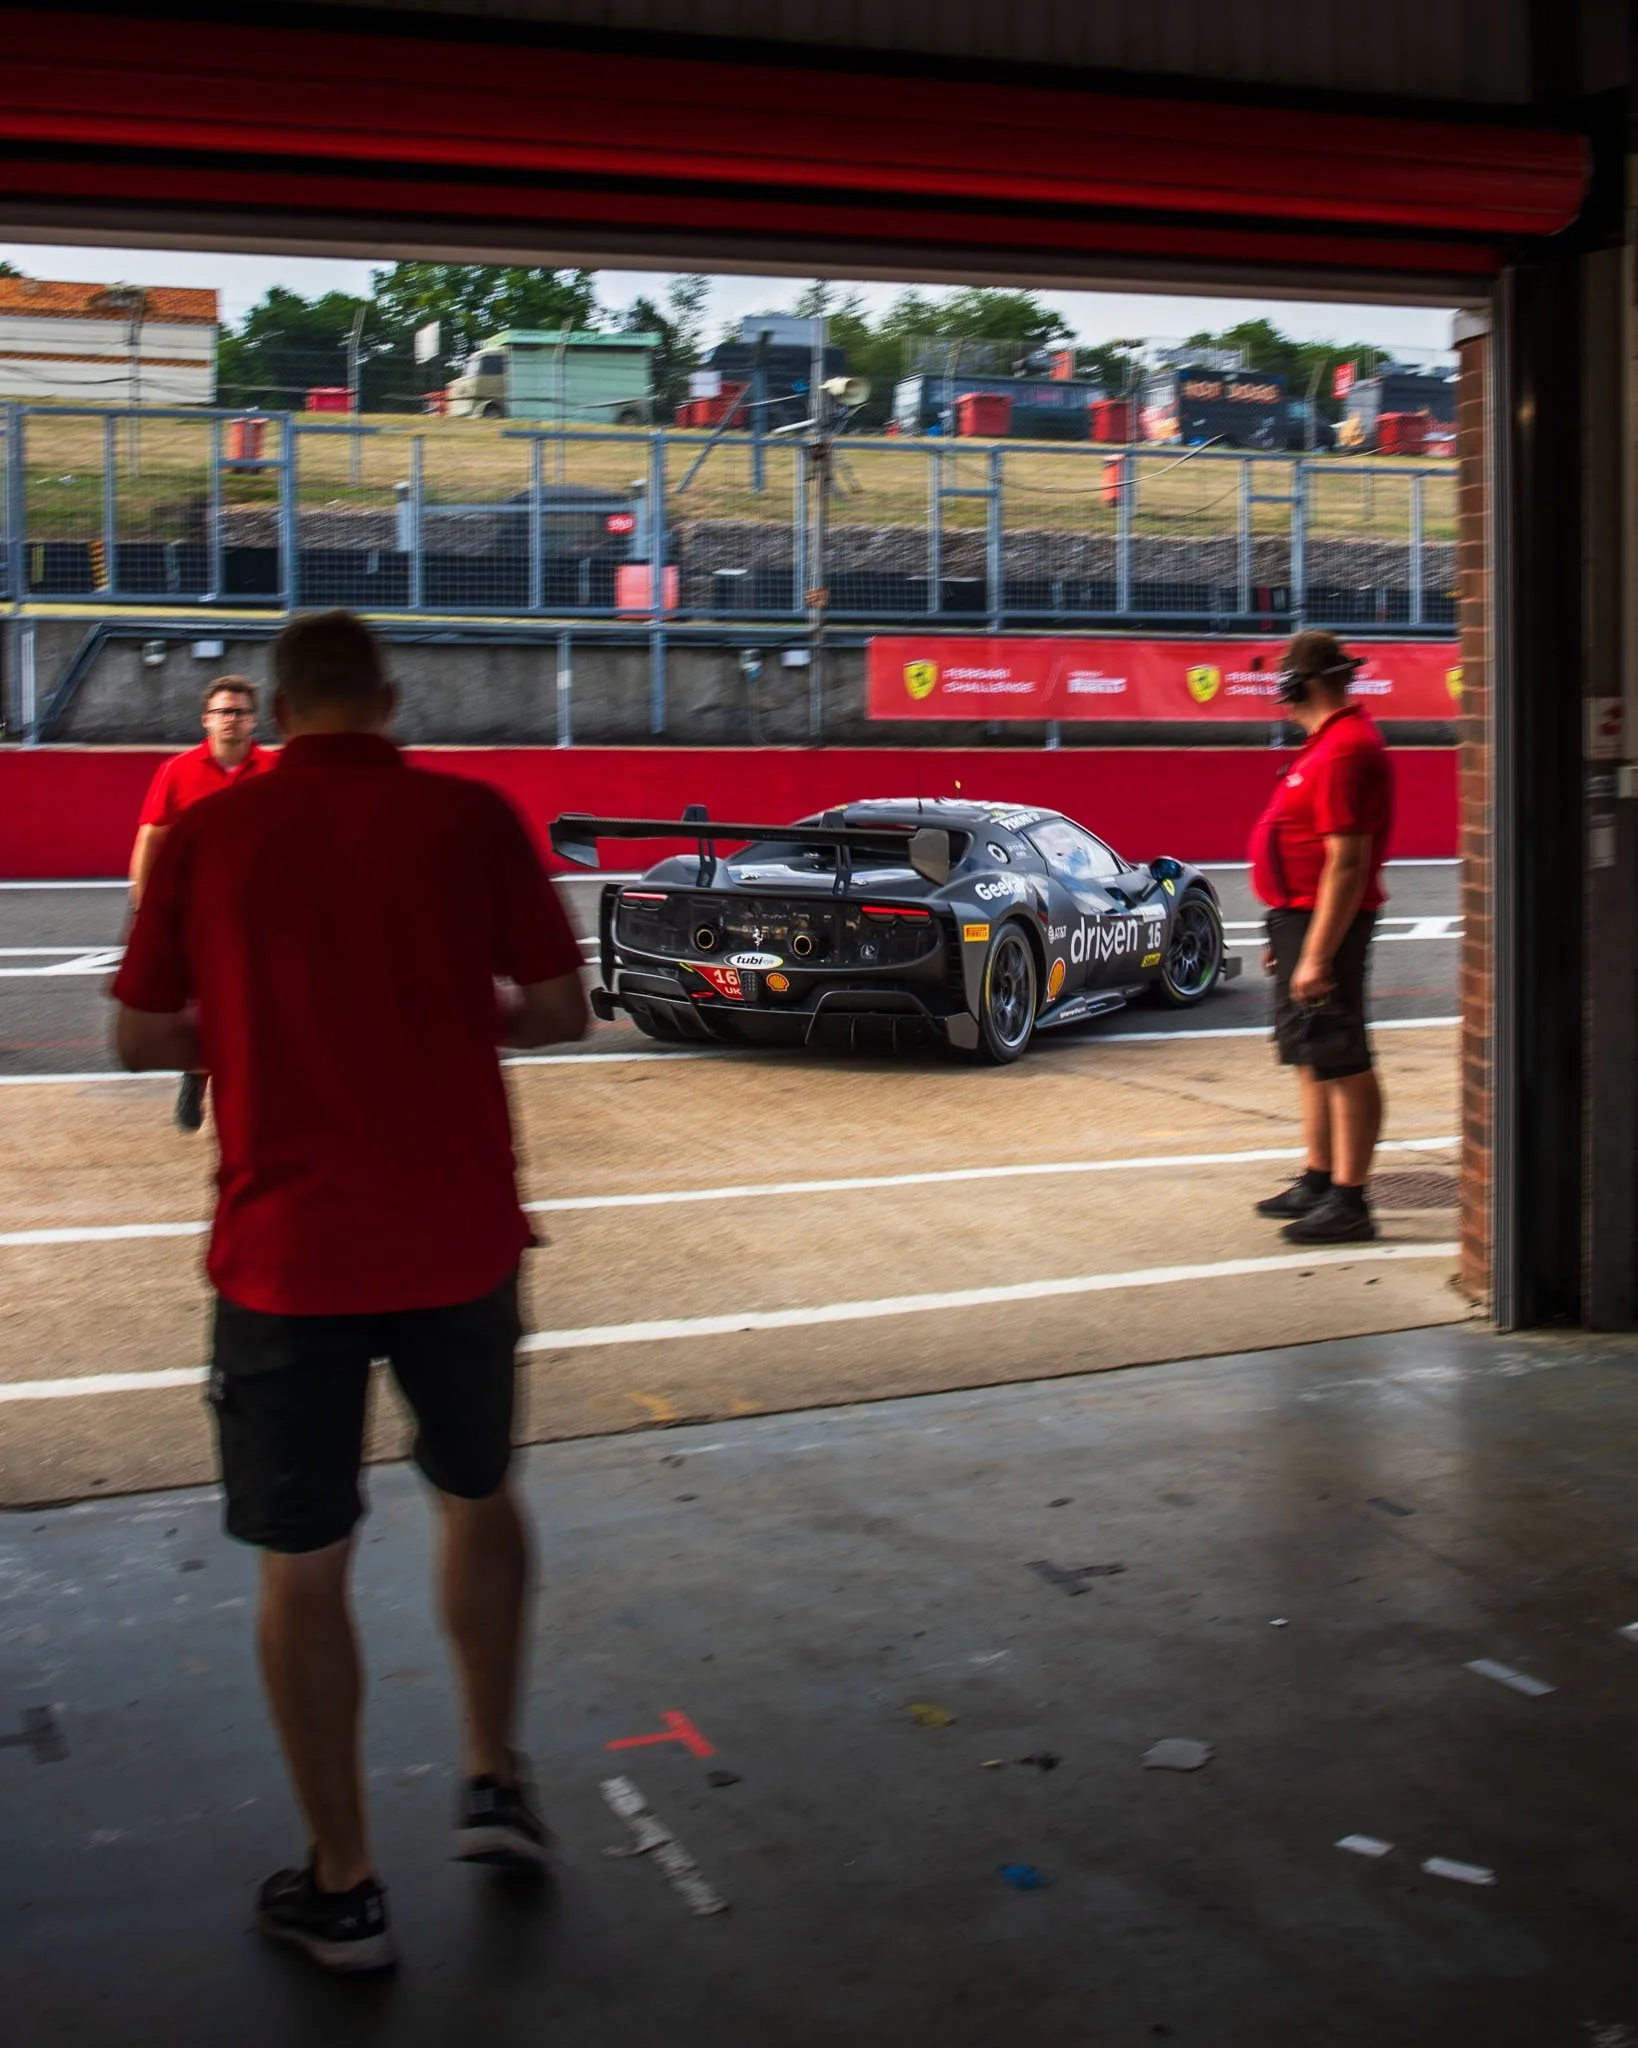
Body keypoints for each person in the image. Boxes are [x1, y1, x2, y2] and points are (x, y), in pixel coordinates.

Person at [110, 609, 588, 1974]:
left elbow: (144, 1033)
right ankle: (493, 1774)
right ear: (385, 700)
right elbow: (558, 1011)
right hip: (457, 1240)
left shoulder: (212, 831)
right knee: (478, 1492)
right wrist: (445, 1006)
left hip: (286, 1255)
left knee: (303, 1559)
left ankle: (346, 1884)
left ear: (272, 707)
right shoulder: (470, 818)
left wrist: (263, 1021)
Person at [1248, 629, 1395, 1245]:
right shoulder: (1325, 745)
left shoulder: (1342, 751)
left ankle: (1350, 1200)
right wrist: (1287, 930)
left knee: (1340, 1055)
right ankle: (1320, 1175)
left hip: (1323, 922)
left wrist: (1316, 953)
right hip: (1301, 917)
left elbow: (1347, 863)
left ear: (1298, 684)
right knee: (1311, 1053)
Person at [129, 675, 272, 1132]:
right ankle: (196, 1078)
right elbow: (152, 837)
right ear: (206, 719)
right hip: (199, 913)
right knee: (204, 1005)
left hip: (261, 914)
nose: (231, 719)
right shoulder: (177, 770)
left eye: (240, 711)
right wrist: (143, 905)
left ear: (254, 718)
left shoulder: (276, 770)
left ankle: (253, 1095)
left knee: (261, 1006)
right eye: (223, 711)